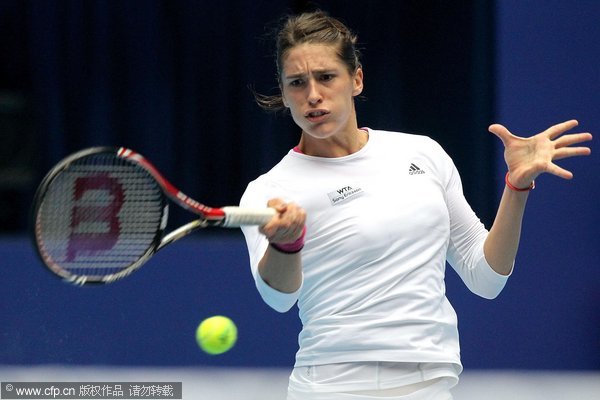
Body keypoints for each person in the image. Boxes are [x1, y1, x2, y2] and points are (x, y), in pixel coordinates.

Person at [239, 10, 592, 400]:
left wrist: (516, 187)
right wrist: (286, 243)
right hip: (333, 387)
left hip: (432, 386)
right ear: (284, 93)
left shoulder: (423, 153)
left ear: (356, 79)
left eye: (325, 77)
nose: (313, 95)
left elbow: (485, 277)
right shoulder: (270, 189)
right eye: (297, 83)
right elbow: (278, 298)